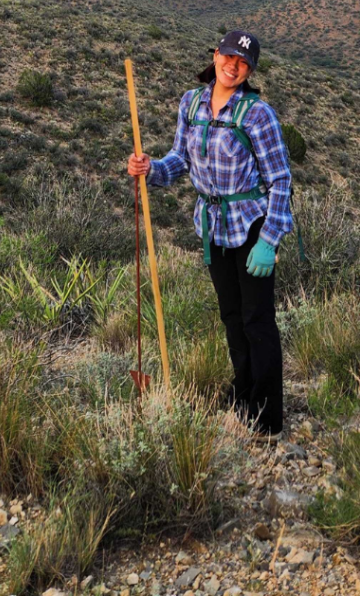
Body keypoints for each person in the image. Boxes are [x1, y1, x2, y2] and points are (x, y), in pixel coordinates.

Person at [127, 30, 293, 438]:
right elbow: (179, 159)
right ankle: (242, 396)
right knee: (232, 318)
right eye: (230, 57)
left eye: (244, 63)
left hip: (251, 224)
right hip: (213, 226)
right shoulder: (192, 102)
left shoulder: (258, 114)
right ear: (216, 55)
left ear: (250, 70)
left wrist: (269, 240)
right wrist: (151, 169)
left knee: (258, 321)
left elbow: (281, 180)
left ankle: (267, 418)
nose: (234, 67)